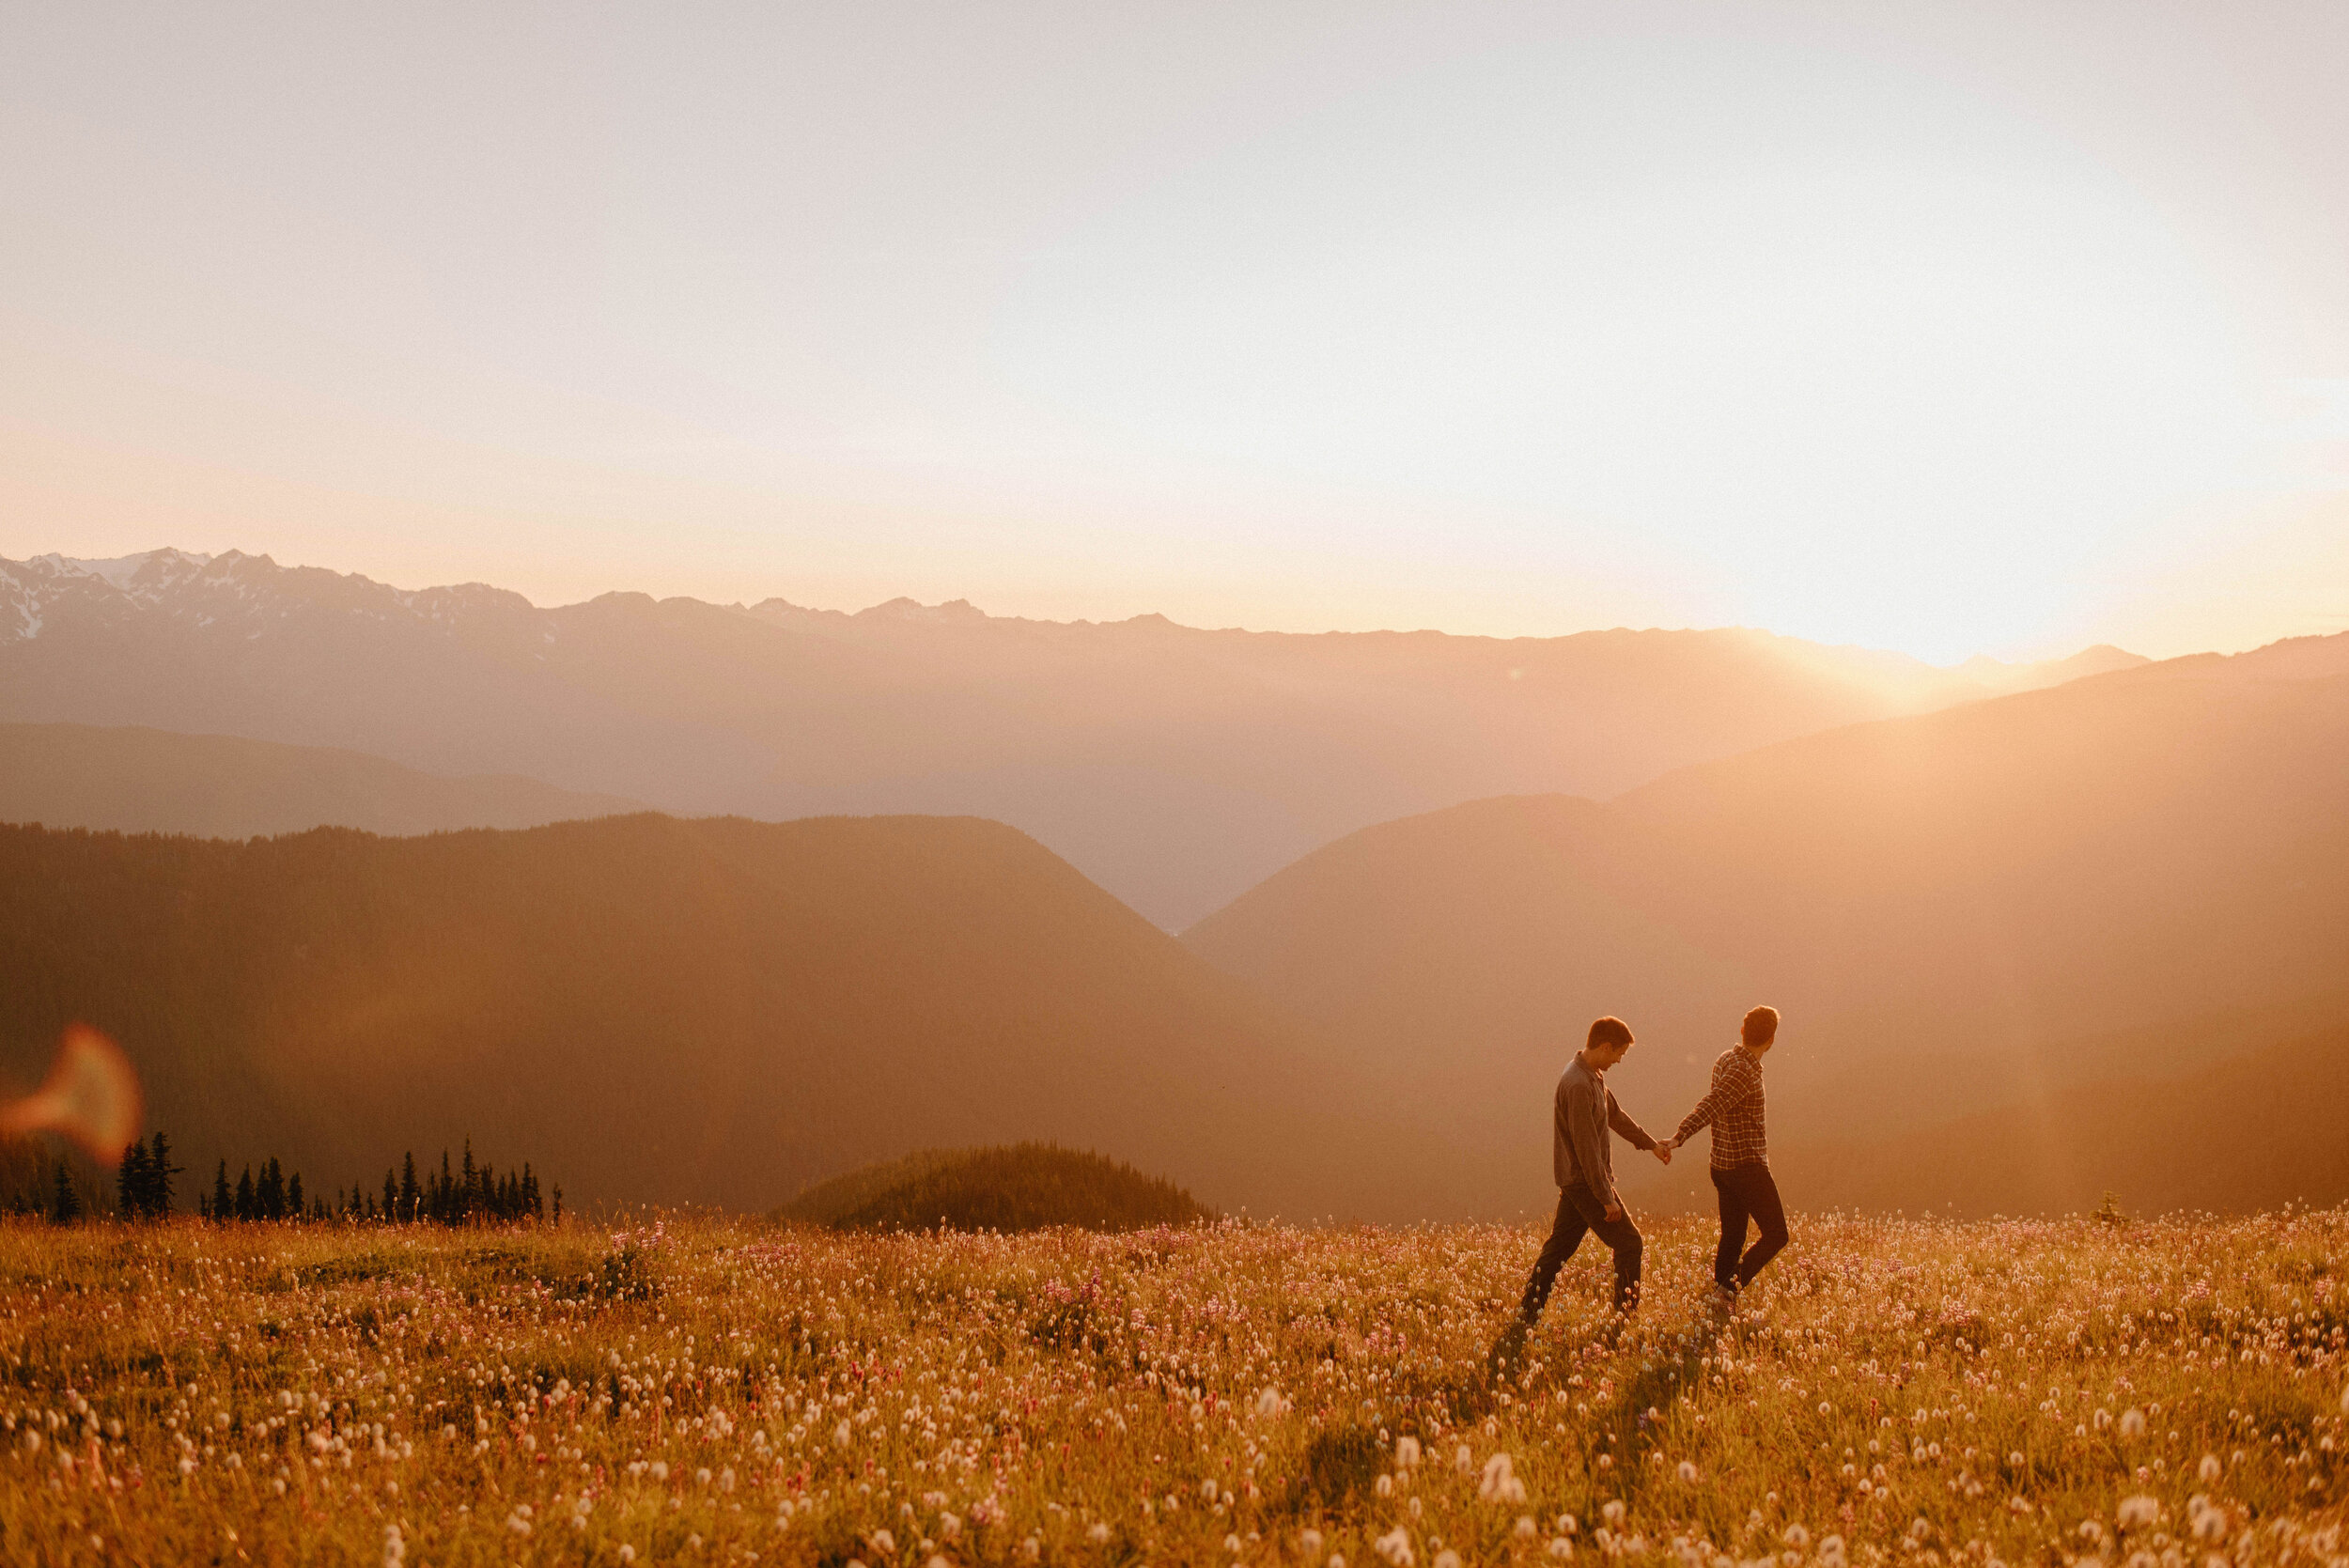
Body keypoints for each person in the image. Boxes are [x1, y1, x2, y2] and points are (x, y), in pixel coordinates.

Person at [1517, 1016, 1672, 1326]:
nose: (1618, 1060)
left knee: (1559, 1248)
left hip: (1580, 1180)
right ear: (1604, 1046)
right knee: (1629, 1243)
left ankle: (1527, 1314)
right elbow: (1586, 1149)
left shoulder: (1592, 1075)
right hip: (1585, 1182)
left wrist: (1651, 1144)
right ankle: (1624, 1318)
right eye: (1619, 1054)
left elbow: (1615, 1115)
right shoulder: (1577, 1085)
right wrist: (1606, 1197)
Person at [1661, 1004, 1789, 1312]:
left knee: (1733, 1235)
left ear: (1742, 1031)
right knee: (1776, 1235)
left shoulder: (1725, 1059)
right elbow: (1713, 1103)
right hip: (1746, 1167)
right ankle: (1727, 1292)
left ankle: (1719, 1300)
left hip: (1721, 1165)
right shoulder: (1744, 1072)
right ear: (1771, 1041)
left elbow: (1716, 1103)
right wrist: (1680, 1135)